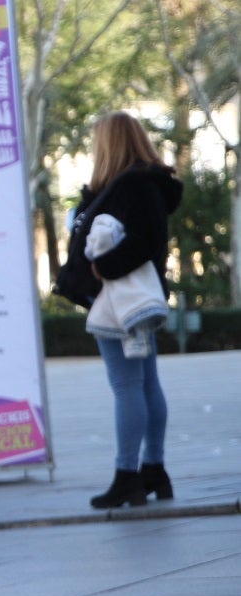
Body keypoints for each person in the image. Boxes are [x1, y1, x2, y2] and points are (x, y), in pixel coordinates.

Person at [74, 113, 182, 508]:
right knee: (145, 383)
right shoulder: (144, 184)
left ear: (110, 144)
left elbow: (142, 241)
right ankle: (153, 468)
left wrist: (103, 267)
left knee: (127, 386)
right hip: (137, 299)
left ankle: (127, 475)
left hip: (119, 300)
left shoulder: (132, 186)